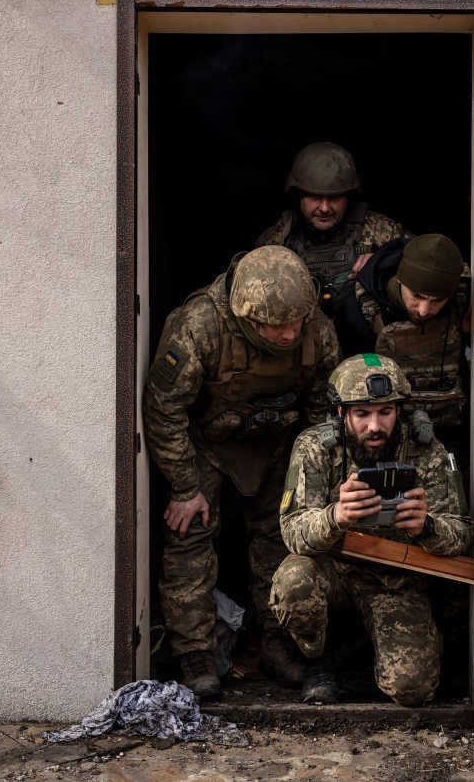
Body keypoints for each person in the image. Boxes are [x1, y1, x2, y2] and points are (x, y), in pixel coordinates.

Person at [142, 245, 340, 701]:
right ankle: (194, 651)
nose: (291, 334)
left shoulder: (315, 328)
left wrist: (311, 476)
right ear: (248, 317)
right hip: (207, 445)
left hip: (278, 444)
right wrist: (185, 486)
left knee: (281, 538)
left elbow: (323, 407)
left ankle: (278, 639)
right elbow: (163, 408)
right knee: (190, 534)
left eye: (297, 323)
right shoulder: (200, 325)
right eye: (277, 326)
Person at [269, 354, 472, 706]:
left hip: (394, 577)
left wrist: (427, 527)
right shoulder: (315, 447)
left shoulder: (429, 451)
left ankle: (370, 646)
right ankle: (318, 660)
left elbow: (462, 532)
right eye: (362, 414)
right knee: (293, 583)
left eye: (385, 413)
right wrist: (335, 517)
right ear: (341, 414)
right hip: (332, 568)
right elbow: (292, 530)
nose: (374, 427)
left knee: (413, 690)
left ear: (400, 411)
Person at [255, 142, 410, 323]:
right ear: (298, 196)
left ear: (348, 197)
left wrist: (384, 259)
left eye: (334, 198)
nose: (324, 208)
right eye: (315, 197)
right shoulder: (274, 244)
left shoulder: (381, 232)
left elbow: (427, 263)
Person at [335, 233, 468, 431]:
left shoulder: (465, 298)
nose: (424, 310)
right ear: (400, 280)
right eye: (416, 295)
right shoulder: (359, 307)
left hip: (450, 422)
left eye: (437, 300)